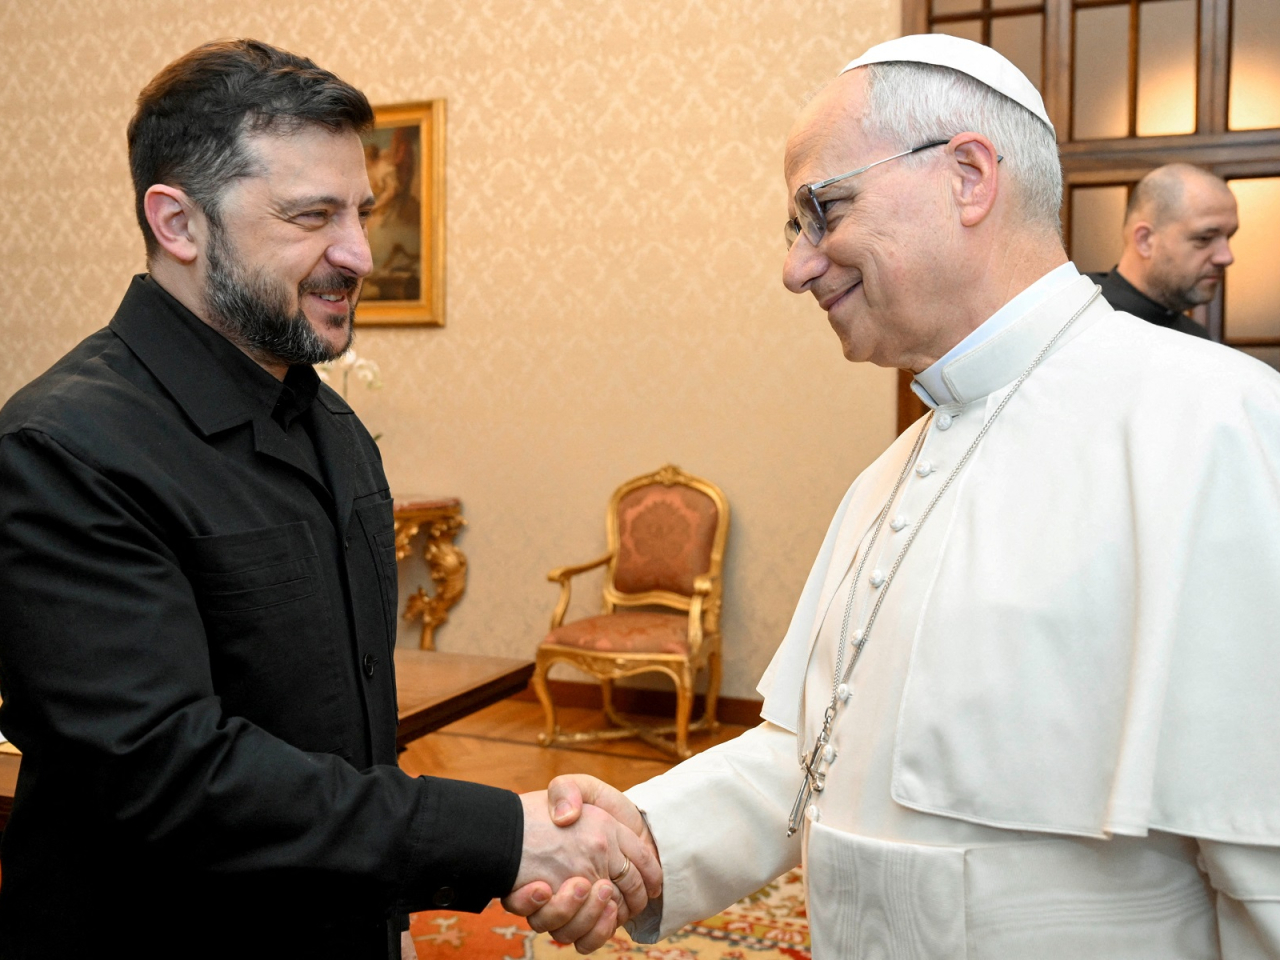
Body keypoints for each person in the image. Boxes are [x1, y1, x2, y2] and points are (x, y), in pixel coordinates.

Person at [511, 34, 1280, 959]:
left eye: (821, 211)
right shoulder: (893, 471)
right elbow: (809, 757)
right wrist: (633, 838)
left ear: (966, 176)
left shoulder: (1219, 425)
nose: (797, 267)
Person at [0, 40, 657, 960]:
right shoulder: (61, 450)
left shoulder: (333, 427)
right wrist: (502, 838)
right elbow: (173, 778)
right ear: (178, 223)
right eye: (313, 215)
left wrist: (517, 853)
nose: (358, 252)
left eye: (362, 212)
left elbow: (341, 743)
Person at [1088, 163, 1238, 339]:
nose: (1226, 257)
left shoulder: (1196, 337)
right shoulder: (1076, 319)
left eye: (1229, 237)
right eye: (1204, 239)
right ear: (1145, 241)